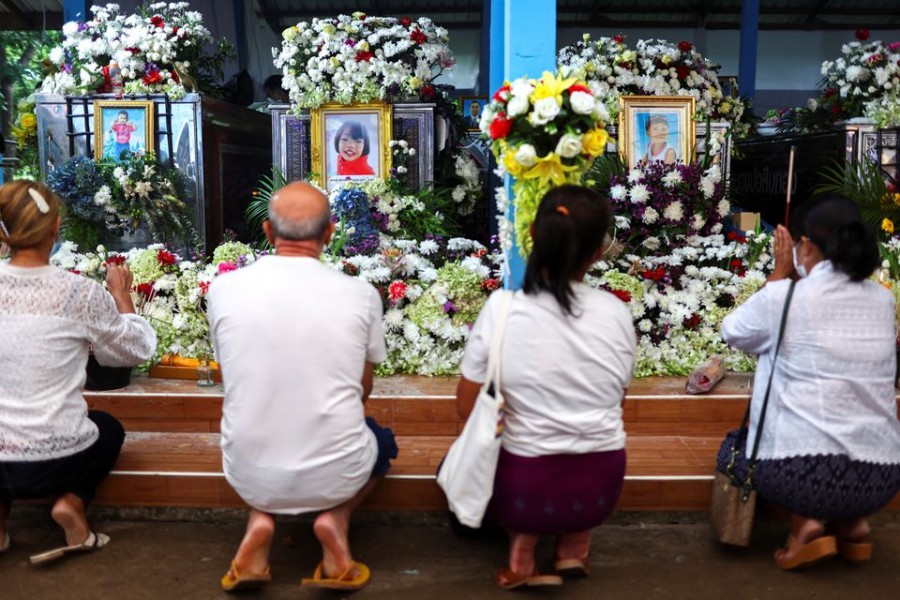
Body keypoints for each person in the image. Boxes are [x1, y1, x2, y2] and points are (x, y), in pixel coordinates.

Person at [207, 181, 396, 592]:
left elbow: (232, 377)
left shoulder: (223, 288)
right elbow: (362, 390)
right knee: (383, 442)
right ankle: (335, 521)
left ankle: (259, 523)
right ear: (329, 233)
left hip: (248, 468)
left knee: (260, 417)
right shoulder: (360, 294)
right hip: (338, 470)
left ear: (268, 233)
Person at [456, 185, 637, 590]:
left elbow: (467, 407)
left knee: (485, 450)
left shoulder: (504, 309)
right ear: (598, 251)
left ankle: (522, 552)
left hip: (524, 488)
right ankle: (575, 545)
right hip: (601, 486)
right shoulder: (616, 313)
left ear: (535, 233)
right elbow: (616, 401)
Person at [720, 194, 900, 570]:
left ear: (804, 245)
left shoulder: (785, 297)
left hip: (800, 478)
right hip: (881, 478)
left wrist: (777, 276)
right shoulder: (880, 301)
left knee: (734, 454)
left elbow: (733, 331)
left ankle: (806, 525)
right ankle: (852, 524)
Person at [0, 180, 156, 564]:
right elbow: (132, 350)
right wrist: (121, 294)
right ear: (54, 230)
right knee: (108, 427)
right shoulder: (79, 293)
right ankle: (72, 503)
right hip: (59, 463)